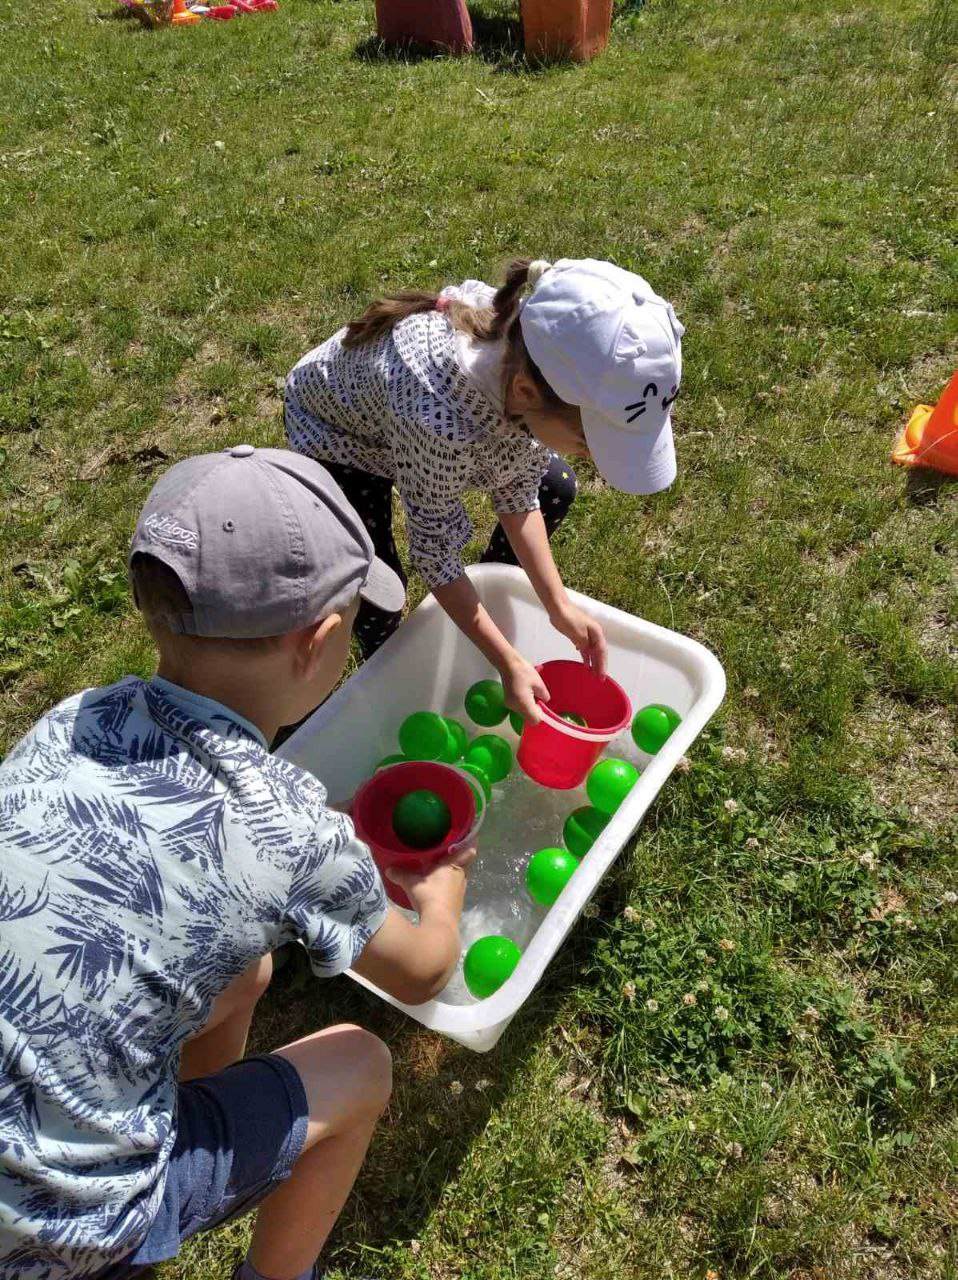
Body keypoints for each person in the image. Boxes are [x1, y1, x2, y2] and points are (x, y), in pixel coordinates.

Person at [0, 447, 474, 1280]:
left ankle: (192, 1111)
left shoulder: (75, 720)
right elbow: (426, 972)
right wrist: (444, 891)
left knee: (246, 970)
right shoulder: (286, 831)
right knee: (359, 1064)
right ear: (319, 642)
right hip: (58, 1238)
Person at [285, 256, 684, 721]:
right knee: (375, 580)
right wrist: (508, 660)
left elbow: (519, 496)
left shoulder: (527, 362)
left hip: (422, 421)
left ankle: (481, 602)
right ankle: (392, 662)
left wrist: (558, 606)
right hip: (339, 438)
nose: (594, 457)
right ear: (526, 395)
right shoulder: (438, 423)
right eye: (587, 442)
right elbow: (433, 552)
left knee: (553, 484)